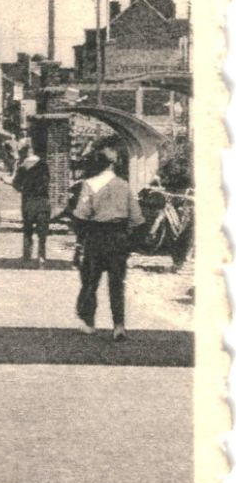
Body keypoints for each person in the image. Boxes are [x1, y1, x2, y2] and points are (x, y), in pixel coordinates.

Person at [71, 144, 144, 340]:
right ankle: (118, 325)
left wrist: (80, 239)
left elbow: (81, 214)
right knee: (117, 283)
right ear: (114, 165)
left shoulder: (89, 184)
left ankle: (89, 322)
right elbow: (137, 217)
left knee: (90, 281)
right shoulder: (124, 185)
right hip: (119, 237)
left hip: (96, 236)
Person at [10, 141, 52, 266]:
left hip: (28, 201)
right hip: (43, 201)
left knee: (28, 230)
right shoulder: (44, 165)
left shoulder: (23, 166)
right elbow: (47, 181)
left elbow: (16, 185)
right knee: (42, 232)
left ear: (25, 151)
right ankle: (42, 256)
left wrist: (24, 189)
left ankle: (27, 257)